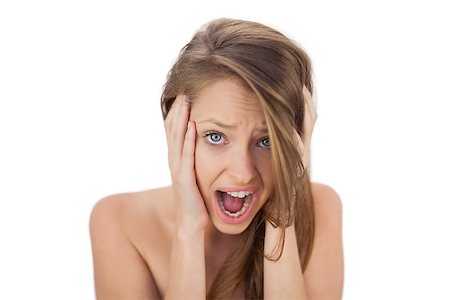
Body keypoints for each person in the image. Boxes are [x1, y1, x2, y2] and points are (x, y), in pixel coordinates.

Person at [89, 18, 344, 299]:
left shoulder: (320, 209)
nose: (242, 172)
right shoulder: (120, 221)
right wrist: (189, 229)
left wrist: (281, 219)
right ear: (176, 127)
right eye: (216, 136)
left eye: (267, 141)